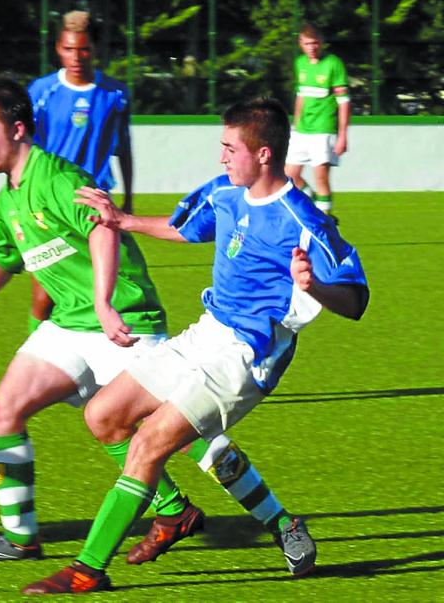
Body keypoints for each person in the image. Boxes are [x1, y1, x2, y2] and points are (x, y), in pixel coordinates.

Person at [0, 77, 302, 567]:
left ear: (17, 129)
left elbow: (102, 231)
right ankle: (21, 538)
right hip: (69, 326)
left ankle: (278, 521)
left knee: (197, 440)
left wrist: (105, 303)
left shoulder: (59, 177)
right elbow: (1, 263)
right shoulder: (9, 199)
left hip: (123, 320)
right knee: (3, 410)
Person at [22, 96, 369, 594]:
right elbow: (186, 228)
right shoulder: (226, 192)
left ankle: (88, 569)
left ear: (264, 154)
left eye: (230, 148)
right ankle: (273, 523)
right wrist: (122, 221)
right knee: (104, 415)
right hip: (206, 332)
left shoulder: (303, 219)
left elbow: (356, 300)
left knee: (148, 444)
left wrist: (315, 288)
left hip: (247, 355)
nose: (222, 157)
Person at [26, 10, 133, 333]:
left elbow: (123, 147)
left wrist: (128, 197)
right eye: (69, 49)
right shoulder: (41, 92)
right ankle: (31, 355)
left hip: (95, 203)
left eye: (83, 49)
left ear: (95, 49)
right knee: (46, 290)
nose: (76, 57)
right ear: (58, 48)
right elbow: (26, 149)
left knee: (105, 289)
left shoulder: (115, 93)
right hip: (50, 201)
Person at [285, 23, 350, 221]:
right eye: (307, 43)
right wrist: (295, 126)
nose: (312, 47)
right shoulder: (300, 64)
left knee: (320, 176)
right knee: (289, 177)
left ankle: (325, 221)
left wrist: (342, 136)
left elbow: (344, 102)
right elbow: (301, 96)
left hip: (324, 130)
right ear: (300, 44)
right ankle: (316, 206)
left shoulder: (333, 64)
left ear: (321, 43)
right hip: (302, 130)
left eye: (315, 43)